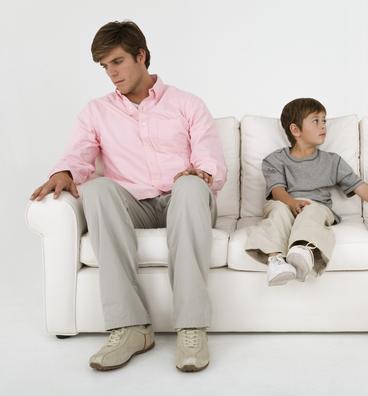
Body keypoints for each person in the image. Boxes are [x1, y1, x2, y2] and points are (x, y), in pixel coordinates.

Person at [30, 20, 227, 372]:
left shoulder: (187, 104)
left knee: (190, 186)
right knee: (97, 189)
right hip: (134, 205)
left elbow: (209, 157)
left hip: (185, 202)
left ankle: (191, 328)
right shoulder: (96, 112)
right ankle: (131, 328)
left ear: (141, 56)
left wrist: (200, 173)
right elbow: (79, 153)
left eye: (117, 61)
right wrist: (64, 172)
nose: (111, 73)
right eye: (105, 66)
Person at [245, 98, 368, 286]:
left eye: (324, 120)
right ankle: (276, 261)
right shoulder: (274, 160)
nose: (323, 126)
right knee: (278, 210)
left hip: (315, 206)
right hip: (285, 202)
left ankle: (302, 251)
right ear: (295, 130)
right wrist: (291, 203)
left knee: (312, 210)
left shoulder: (332, 161)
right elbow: (277, 190)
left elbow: (362, 188)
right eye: (316, 121)